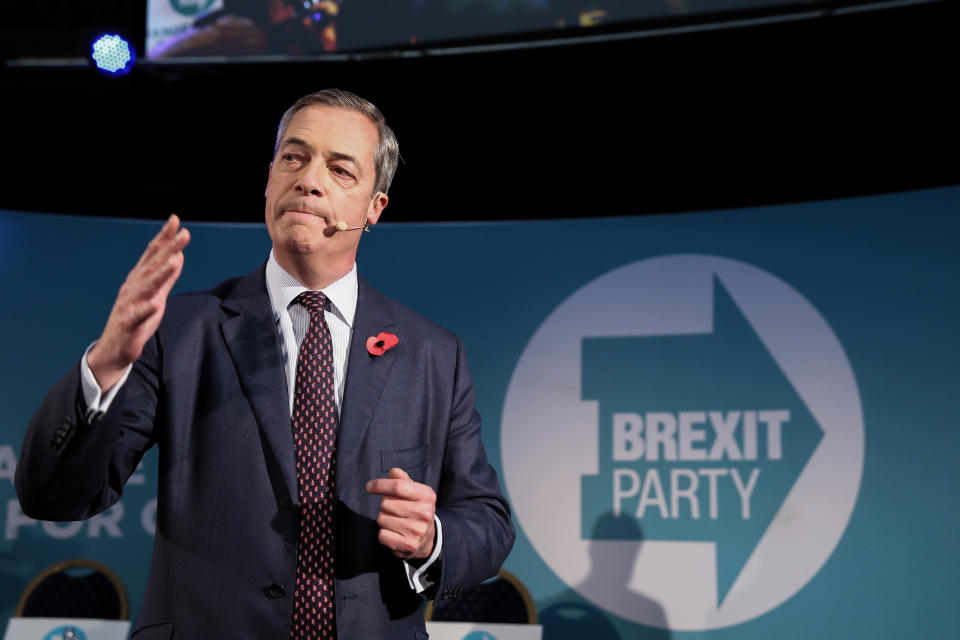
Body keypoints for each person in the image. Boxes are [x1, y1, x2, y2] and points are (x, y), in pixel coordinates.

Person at [15, 89, 515, 639]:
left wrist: (431, 539)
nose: (308, 179)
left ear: (375, 208)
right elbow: (53, 494)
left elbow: (486, 521)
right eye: (293, 158)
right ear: (270, 177)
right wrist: (108, 360)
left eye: (340, 169)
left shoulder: (432, 355)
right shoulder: (182, 332)